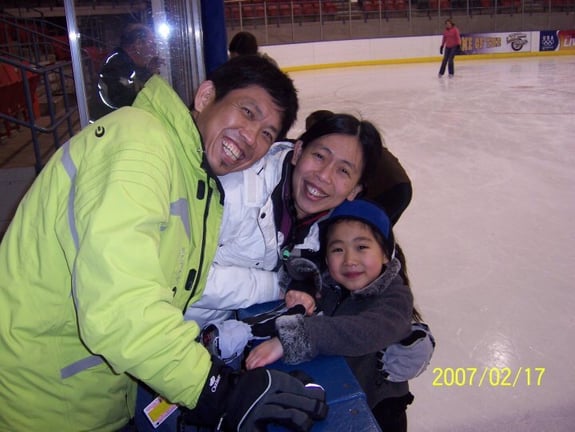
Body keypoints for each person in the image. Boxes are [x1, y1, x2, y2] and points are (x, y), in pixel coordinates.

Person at [0, 54, 333, 432]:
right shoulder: (139, 143)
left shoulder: (194, 178)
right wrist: (216, 391)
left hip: (93, 394)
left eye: (267, 134)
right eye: (247, 112)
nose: (251, 139)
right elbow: (120, 305)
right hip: (37, 406)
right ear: (206, 96)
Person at [184, 112, 385, 327]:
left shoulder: (334, 228)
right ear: (298, 152)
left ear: (354, 191)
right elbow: (182, 276)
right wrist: (279, 286)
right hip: (168, 324)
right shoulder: (235, 191)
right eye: (319, 156)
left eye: (343, 170)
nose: (324, 175)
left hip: (215, 330)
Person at [246, 199, 422, 432]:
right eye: (338, 249)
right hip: (332, 392)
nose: (350, 260)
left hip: (378, 409)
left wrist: (293, 338)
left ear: (385, 255)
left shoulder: (395, 298)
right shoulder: (326, 284)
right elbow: (297, 269)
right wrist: (301, 288)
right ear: (327, 258)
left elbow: (364, 331)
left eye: (362, 247)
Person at [93, 23, 163, 119]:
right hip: (111, 127)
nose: (154, 51)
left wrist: (148, 70)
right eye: (152, 45)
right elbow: (125, 101)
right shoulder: (115, 65)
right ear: (138, 45)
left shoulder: (127, 63)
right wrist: (148, 73)